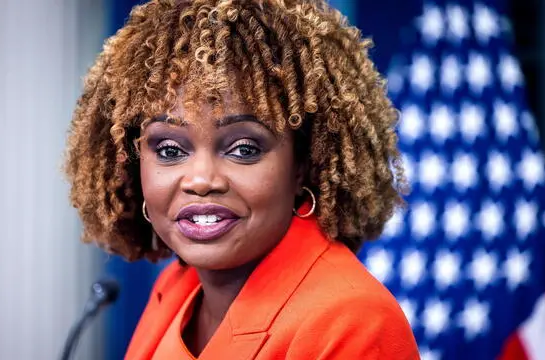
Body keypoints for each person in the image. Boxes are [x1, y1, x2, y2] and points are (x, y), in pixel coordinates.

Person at [65, 0, 419, 358]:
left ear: (302, 165)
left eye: (244, 149)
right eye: (170, 150)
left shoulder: (353, 321)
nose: (201, 180)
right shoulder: (178, 287)